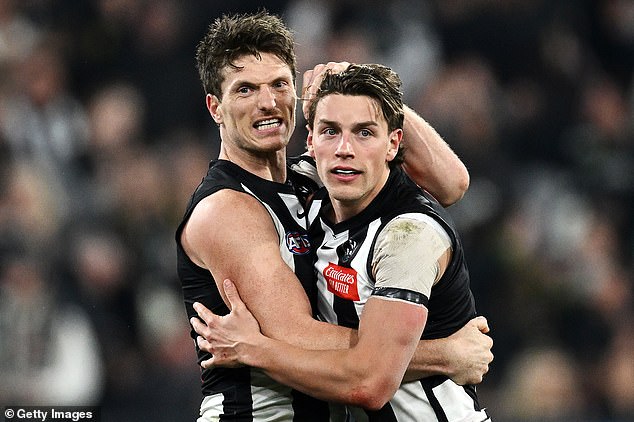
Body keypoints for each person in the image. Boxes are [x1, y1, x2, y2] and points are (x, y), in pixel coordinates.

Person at [176, 10, 491, 421]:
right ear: (215, 107)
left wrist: (360, 84)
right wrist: (442, 355)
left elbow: (451, 184)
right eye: (245, 90)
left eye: (279, 85)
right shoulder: (226, 209)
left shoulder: (314, 179)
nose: (268, 102)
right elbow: (298, 339)